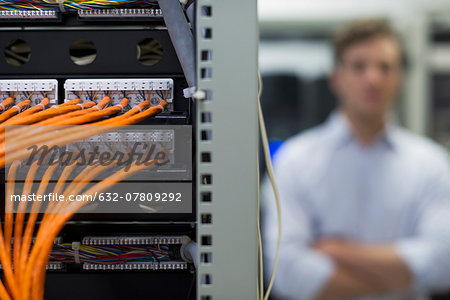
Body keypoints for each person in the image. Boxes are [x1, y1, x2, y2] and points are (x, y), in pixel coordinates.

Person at [263, 20, 450, 300]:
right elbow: (287, 273)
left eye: (385, 67)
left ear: (399, 78)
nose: (372, 78)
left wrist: (337, 250)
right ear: (336, 77)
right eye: (359, 66)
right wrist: (402, 278)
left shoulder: (431, 163)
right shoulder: (293, 160)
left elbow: (444, 264)